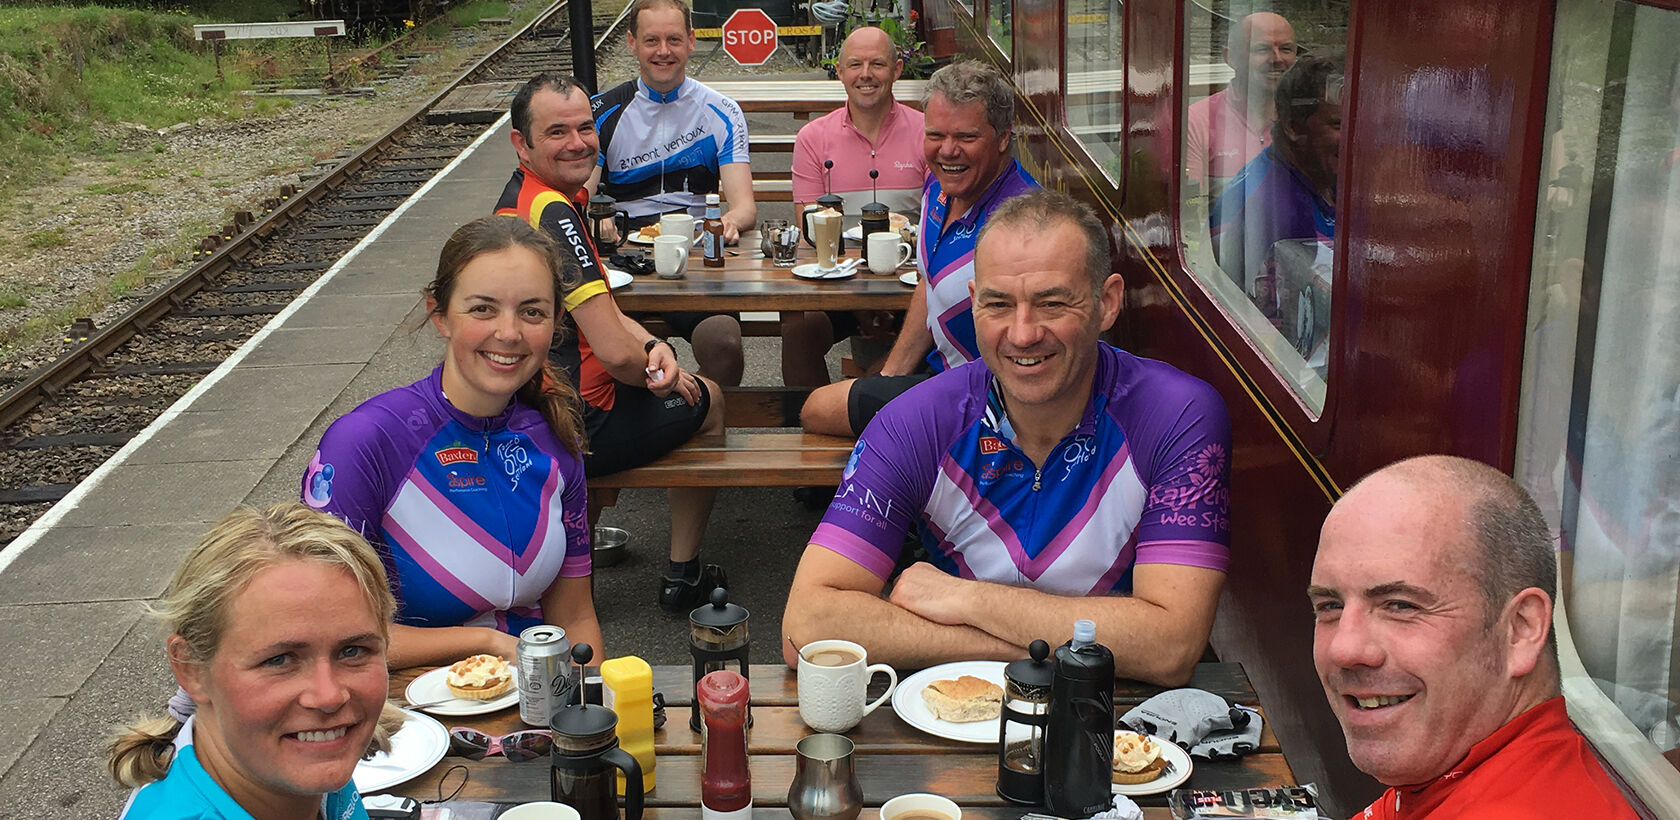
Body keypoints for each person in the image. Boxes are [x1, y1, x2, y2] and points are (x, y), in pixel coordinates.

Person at [782, 191, 1232, 686]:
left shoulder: (1178, 416)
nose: (1022, 333)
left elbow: (1171, 646)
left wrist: (966, 600)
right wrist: (1028, 649)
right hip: (956, 714)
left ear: (1107, 303)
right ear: (973, 304)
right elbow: (806, 627)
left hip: (1123, 732)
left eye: (1052, 302)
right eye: (998, 304)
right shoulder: (916, 422)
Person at [303, 216, 606, 664]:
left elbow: (576, 617)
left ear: (557, 322)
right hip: (401, 716)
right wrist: (484, 643)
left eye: (532, 311)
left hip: (532, 704)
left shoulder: (555, 439)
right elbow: (327, 634)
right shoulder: (365, 443)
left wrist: (587, 716)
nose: (509, 332)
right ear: (439, 315)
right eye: (482, 309)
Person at [497, 73, 727, 614]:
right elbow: (616, 354)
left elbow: (609, 315)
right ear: (521, 142)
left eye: (584, 128)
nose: (577, 142)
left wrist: (652, 344)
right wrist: (663, 369)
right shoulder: (554, 215)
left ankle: (574, 571)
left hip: (539, 409)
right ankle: (682, 573)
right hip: (573, 423)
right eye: (557, 132)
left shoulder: (528, 200)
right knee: (712, 399)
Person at [1309, 455, 1638, 818]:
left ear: (1520, 629)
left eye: (1401, 606)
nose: (1344, 648)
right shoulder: (1459, 778)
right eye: (1330, 606)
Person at [109, 503, 396, 819]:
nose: (329, 696)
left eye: (352, 651)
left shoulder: (291, 762)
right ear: (191, 670)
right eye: (280, 660)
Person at [800, 60, 1040, 437]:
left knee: (817, 409)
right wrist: (891, 374)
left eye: (966, 137)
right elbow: (929, 287)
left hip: (986, 401)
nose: (948, 151)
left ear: (1003, 137)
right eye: (936, 135)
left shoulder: (1022, 222)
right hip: (941, 372)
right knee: (861, 377)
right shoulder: (939, 192)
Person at [590, 0, 749, 387]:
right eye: (652, 40)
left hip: (694, 256)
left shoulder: (722, 111)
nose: (664, 51)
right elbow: (581, 196)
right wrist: (598, 216)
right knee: (611, 352)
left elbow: (745, 206)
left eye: (674, 39)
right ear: (631, 43)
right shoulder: (602, 112)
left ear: (692, 42)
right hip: (625, 262)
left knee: (724, 341)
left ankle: (710, 427)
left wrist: (728, 221)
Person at [783, 25, 929, 388]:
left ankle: (862, 415)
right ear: (840, 72)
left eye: (877, 64)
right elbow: (810, 228)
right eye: (855, 65)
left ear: (897, 70)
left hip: (913, 284)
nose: (866, 74)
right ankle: (814, 426)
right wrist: (861, 303)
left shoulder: (928, 132)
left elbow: (938, 223)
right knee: (798, 328)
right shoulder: (814, 138)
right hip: (840, 282)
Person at [1210, 53, 1342, 297]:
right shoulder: (1270, 210)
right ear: (1293, 126)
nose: (1358, 137)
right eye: (1339, 126)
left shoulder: (1325, 175)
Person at [1184, 12, 1298, 199]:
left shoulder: (1306, 118)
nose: (1277, 59)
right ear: (1230, 57)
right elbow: (1192, 207)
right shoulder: (1197, 122)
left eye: (1286, 49)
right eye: (1262, 49)